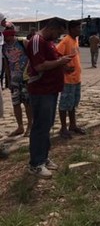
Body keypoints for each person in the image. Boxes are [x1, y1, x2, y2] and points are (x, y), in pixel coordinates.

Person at [25, 18, 72, 179]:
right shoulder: (37, 40)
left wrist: (63, 64)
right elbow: (39, 66)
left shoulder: (49, 42)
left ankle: (43, 158)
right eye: (59, 32)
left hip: (51, 89)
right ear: (52, 28)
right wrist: (60, 61)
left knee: (47, 125)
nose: (59, 36)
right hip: (41, 90)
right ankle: (35, 164)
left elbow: (54, 59)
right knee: (40, 126)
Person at [56, 19, 85, 139]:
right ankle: (63, 128)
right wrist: (64, 67)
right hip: (67, 80)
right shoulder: (66, 41)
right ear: (71, 29)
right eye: (78, 28)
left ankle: (73, 125)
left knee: (73, 103)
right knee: (64, 104)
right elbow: (56, 55)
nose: (80, 30)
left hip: (76, 78)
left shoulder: (75, 40)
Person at [3, 27, 32, 136]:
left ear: (12, 35)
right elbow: (6, 64)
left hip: (26, 78)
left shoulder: (22, 42)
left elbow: (33, 57)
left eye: (7, 36)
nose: (5, 38)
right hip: (14, 79)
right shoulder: (4, 47)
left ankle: (30, 125)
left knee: (27, 103)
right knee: (15, 103)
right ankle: (20, 126)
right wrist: (8, 80)